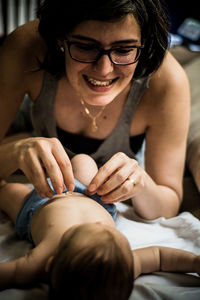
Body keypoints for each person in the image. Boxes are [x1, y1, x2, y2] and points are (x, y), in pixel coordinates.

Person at [0, 0, 190, 220]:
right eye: (85, 47)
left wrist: (142, 182)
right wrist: (15, 152)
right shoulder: (26, 49)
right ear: (60, 38)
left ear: (145, 41)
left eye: (124, 49)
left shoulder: (167, 83)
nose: (104, 70)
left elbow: (168, 205)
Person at [0, 154, 199, 300]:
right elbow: (161, 257)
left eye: (87, 230)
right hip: (95, 198)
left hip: (40, 203)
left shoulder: (40, 262)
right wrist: (194, 263)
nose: (97, 224)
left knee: (8, 192)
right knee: (84, 161)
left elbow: (11, 272)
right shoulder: (122, 264)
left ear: (52, 265)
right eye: (106, 231)